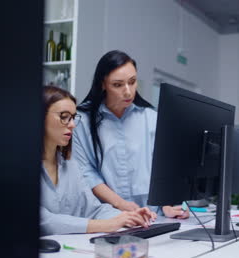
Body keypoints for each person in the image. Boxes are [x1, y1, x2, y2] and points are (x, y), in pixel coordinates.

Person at [73, 50, 188, 218]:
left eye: (132, 82)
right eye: (118, 85)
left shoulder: (151, 117)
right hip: (109, 216)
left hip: (153, 215)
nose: (128, 91)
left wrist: (167, 205)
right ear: (102, 84)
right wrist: (121, 204)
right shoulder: (81, 121)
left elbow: (164, 166)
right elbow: (86, 172)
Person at [40, 86, 157, 236]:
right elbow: (44, 221)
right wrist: (106, 225)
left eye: (73, 117)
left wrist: (127, 217)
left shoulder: (70, 165)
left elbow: (94, 209)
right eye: (64, 117)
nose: (72, 124)